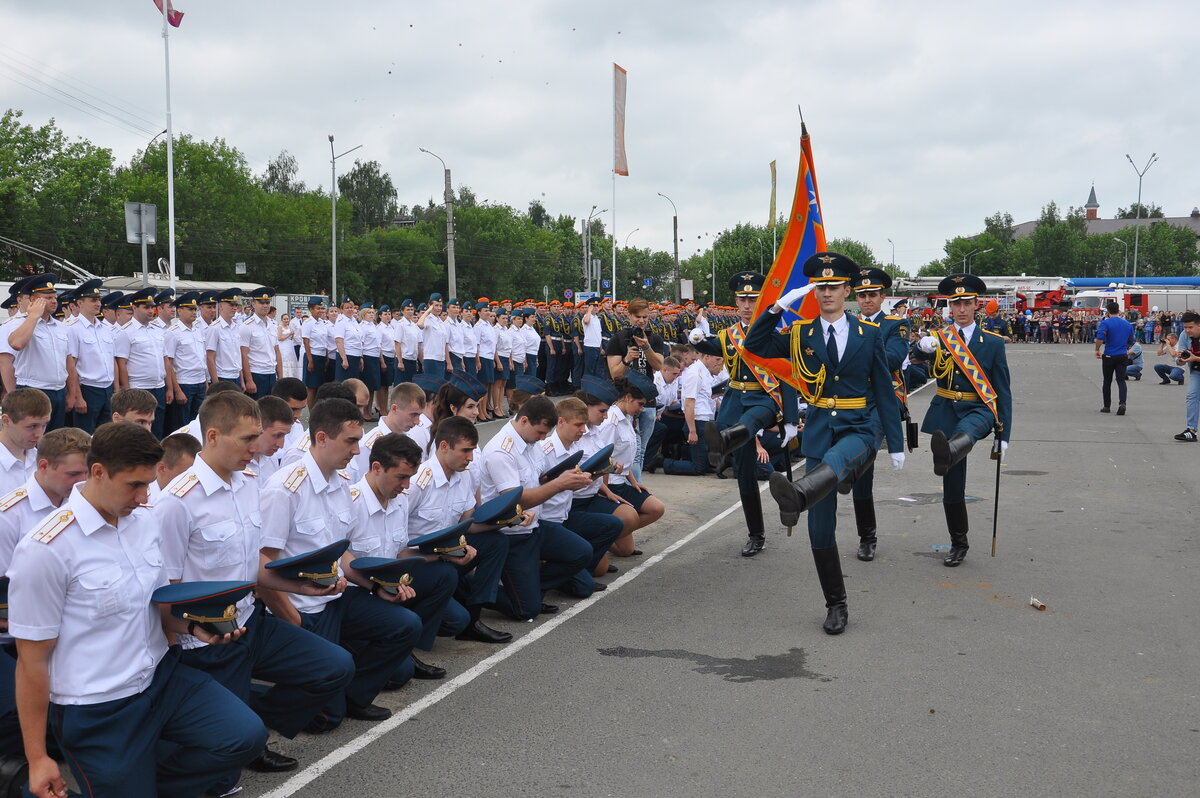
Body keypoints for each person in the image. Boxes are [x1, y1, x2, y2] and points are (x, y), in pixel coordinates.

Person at [8, 421, 268, 798]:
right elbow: (30, 660)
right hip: (100, 708)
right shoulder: (45, 550)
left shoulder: (144, 523)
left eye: (149, 483)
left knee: (244, 736)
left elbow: (154, 605)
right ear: (98, 472)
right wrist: (37, 757)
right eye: (134, 484)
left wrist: (194, 628)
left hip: (162, 680)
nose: (145, 496)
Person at [154, 392, 354, 788]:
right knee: (224, 778)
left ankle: (248, 717)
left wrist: (301, 586)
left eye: (256, 436)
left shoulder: (247, 483)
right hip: (208, 641)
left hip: (251, 620)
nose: (257, 447)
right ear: (212, 436)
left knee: (335, 667)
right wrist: (179, 645)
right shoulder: (176, 502)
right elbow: (165, 591)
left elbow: (253, 567)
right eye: (247, 439)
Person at [746, 252, 905, 635]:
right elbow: (755, 344)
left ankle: (798, 495)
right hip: (818, 429)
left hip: (859, 427)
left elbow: (884, 388)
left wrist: (896, 443)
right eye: (821, 287)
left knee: (838, 459)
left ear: (847, 290)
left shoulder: (869, 335)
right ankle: (836, 603)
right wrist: (779, 305)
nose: (827, 292)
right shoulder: (801, 333)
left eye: (834, 286)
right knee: (820, 530)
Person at [259, 398, 420, 731]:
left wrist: (375, 586)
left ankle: (353, 696)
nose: (358, 451)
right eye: (350, 441)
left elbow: (341, 554)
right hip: (301, 608)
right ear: (321, 438)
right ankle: (248, 704)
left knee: (405, 624)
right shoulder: (284, 490)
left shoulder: (341, 483)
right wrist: (290, 615)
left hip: (335, 598)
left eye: (359, 440)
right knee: (325, 720)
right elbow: (261, 564)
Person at [346, 433, 463, 683]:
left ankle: (407, 646)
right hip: (356, 593)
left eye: (410, 477)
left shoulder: (399, 500)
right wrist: (377, 588)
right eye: (401, 477)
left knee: (444, 575)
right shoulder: (350, 502)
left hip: (389, 585)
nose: (407, 485)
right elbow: (338, 562)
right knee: (399, 676)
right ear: (377, 468)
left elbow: (400, 553)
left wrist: (446, 552)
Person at [915, 273, 1012, 567]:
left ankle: (951, 449)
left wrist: (1004, 434)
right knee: (952, 486)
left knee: (967, 433)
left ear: (976, 305)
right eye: (955, 303)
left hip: (978, 410)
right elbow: (912, 359)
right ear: (949, 306)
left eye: (966, 302)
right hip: (946, 408)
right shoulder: (940, 338)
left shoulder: (992, 343)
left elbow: (1002, 390)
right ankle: (959, 542)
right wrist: (920, 348)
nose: (960, 308)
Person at [703, 272, 800, 556]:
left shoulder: (776, 332)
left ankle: (723, 441)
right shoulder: (728, 334)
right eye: (743, 299)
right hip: (735, 398)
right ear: (736, 301)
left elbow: (786, 376)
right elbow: (710, 348)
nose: (747, 304)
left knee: (748, 423)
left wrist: (791, 420)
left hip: (764, 397)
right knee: (744, 475)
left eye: (753, 299)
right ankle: (756, 534)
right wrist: (697, 339)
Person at [478, 396, 593, 620]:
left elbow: (539, 479)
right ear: (523, 421)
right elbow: (513, 500)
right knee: (526, 611)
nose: (542, 438)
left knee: (581, 552)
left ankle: (530, 585)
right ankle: (477, 590)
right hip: (511, 535)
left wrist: (569, 477)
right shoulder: (501, 451)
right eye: (540, 433)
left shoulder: (531, 442)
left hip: (534, 526)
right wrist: (560, 484)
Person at [406, 416, 513, 644]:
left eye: (473, 450)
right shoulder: (417, 483)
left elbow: (468, 523)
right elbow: (394, 537)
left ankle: (475, 618)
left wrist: (505, 521)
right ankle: (413, 639)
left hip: (447, 555)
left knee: (496, 541)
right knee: (455, 620)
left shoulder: (463, 477)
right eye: (465, 451)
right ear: (444, 446)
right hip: (418, 562)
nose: (470, 458)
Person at [848, 267, 911, 562]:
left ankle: (867, 538)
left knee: (863, 465)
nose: (867, 300)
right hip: (851, 401)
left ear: (882, 297)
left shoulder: (894, 324)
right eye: (862, 295)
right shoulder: (845, 323)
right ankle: (865, 533)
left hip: (880, 402)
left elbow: (895, 358)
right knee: (858, 472)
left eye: (872, 294)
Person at [602, 373, 666, 555]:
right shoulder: (611, 422)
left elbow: (624, 457)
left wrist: (633, 481)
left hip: (622, 482)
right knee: (625, 551)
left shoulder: (627, 417)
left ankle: (616, 533)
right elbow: (603, 458)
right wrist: (605, 493)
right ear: (628, 398)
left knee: (656, 508)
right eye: (640, 404)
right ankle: (604, 538)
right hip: (611, 486)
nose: (641, 409)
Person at [605, 298, 666, 479]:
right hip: (624, 400)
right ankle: (634, 487)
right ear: (629, 315)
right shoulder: (618, 339)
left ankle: (634, 486)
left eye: (645, 317)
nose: (641, 321)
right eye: (638, 317)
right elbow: (615, 374)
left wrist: (646, 348)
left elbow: (659, 366)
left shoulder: (654, 339)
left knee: (641, 449)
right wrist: (627, 359)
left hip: (647, 400)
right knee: (632, 448)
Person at [6, 275, 68, 431]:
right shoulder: (20, 323)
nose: (54, 301)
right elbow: (17, 343)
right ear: (33, 301)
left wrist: (72, 393)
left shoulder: (61, 327)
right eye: (47, 298)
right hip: (33, 389)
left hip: (59, 390)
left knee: (55, 439)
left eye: (55, 297)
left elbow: (68, 361)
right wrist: (33, 315)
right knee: (32, 438)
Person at [64, 279, 114, 434]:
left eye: (98, 300)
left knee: (106, 436)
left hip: (108, 388)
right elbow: (71, 365)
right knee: (85, 436)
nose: (98, 303)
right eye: (93, 300)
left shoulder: (105, 329)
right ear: (80, 303)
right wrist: (78, 396)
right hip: (88, 389)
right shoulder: (73, 329)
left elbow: (112, 361)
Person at [349, 382, 426, 481]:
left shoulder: (413, 437)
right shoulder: (369, 445)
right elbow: (358, 480)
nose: (417, 421)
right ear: (395, 408)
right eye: (413, 415)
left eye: (419, 415)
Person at [163, 291, 209, 435]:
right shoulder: (173, 332)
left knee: (199, 424)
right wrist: (177, 390)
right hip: (184, 383)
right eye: (190, 309)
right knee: (182, 426)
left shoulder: (198, 330)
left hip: (200, 382)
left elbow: (202, 358)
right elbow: (169, 364)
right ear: (180, 311)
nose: (194, 312)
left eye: (195, 309)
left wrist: (206, 383)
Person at [0, 389, 50, 497]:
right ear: (6, 421)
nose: (39, 434)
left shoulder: (41, 459)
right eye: (32, 426)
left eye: (44, 425)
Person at [1095, 300, 1135, 415]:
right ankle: (1122, 403)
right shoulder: (1127, 324)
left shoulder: (1106, 323)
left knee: (1107, 381)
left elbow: (1100, 338)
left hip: (1109, 354)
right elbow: (1131, 340)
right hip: (1122, 354)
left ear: (1107, 312)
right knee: (1121, 380)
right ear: (1118, 311)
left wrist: (1097, 350)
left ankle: (1106, 406)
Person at [207, 288, 246, 388]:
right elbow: (210, 358)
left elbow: (237, 355)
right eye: (230, 305)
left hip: (236, 375)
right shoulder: (215, 328)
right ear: (220, 307)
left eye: (235, 305)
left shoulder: (236, 327)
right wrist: (216, 384)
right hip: (222, 377)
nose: (234, 308)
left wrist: (241, 381)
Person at [1172, 311, 1200, 442]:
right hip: (1196, 371)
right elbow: (1181, 358)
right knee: (1192, 396)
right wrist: (1180, 359)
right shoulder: (1184, 335)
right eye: (1185, 327)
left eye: (1190, 327)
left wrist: (1196, 358)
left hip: (1197, 363)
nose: (1187, 330)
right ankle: (1191, 431)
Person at [149, 432, 200, 502]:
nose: (191, 480)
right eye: (185, 475)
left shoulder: (193, 498)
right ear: (162, 468)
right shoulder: (141, 500)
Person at [301, 297, 330, 407]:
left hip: (322, 356)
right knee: (312, 387)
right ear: (311, 309)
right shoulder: (308, 323)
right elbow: (306, 342)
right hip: (313, 356)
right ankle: (311, 413)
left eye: (322, 308)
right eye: (318, 308)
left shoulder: (322, 323)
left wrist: (326, 356)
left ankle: (317, 410)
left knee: (319, 386)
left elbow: (325, 341)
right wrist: (310, 361)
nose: (321, 311)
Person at [417, 294, 450, 380]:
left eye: (440, 305)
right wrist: (427, 311)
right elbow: (419, 324)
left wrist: (447, 361)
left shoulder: (441, 322)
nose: (439, 308)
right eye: (436, 305)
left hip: (441, 359)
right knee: (431, 388)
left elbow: (445, 343)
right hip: (431, 359)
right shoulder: (428, 319)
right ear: (430, 306)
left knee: (439, 388)